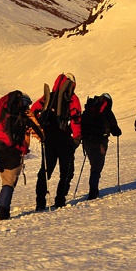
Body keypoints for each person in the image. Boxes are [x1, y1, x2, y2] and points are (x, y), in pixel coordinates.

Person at [0, 91, 44, 220]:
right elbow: (37, 131)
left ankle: (3, 209)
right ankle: (2, 212)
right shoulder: (19, 116)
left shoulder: (3, 113)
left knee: (5, 180)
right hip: (14, 151)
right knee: (9, 182)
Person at [32, 73, 82, 210]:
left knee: (46, 170)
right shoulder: (71, 98)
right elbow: (76, 118)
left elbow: (33, 110)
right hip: (64, 138)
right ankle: (60, 200)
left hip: (48, 137)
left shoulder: (49, 96)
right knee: (66, 170)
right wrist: (76, 137)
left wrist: (39, 130)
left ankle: (40, 202)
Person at [80, 93, 122, 199]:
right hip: (100, 141)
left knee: (93, 164)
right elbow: (115, 130)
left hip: (87, 141)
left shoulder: (89, 108)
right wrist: (117, 132)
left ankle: (93, 189)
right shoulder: (107, 111)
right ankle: (93, 192)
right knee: (97, 166)